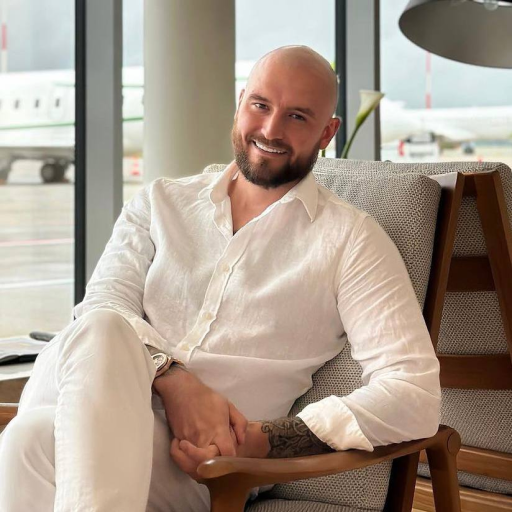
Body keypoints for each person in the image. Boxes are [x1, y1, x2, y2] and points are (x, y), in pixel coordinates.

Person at [0, 46, 441, 511]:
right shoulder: (159, 203)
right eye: (261, 105)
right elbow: (103, 305)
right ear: (240, 103)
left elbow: (413, 392)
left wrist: (263, 440)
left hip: (200, 464)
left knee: (28, 440)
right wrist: (174, 380)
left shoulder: (351, 240)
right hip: (85, 397)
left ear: (327, 133)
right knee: (101, 327)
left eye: (297, 116)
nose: (270, 129)